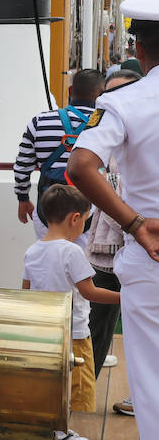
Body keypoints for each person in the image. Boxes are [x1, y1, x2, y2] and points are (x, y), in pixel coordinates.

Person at [68, 0, 159, 440]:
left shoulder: (129, 103)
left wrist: (132, 223)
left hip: (153, 254)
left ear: (138, 45)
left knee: (152, 383)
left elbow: (81, 165)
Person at [20, 184, 120, 440]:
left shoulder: (32, 251)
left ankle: (58, 431)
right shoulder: (73, 252)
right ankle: (47, 437)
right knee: (68, 385)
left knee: (49, 384)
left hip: (41, 331)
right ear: (74, 218)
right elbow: (89, 291)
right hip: (72, 332)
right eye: (85, 222)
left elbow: (26, 292)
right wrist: (126, 297)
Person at [86, 69, 143, 390]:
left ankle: (141, 399)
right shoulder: (103, 131)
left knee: (147, 326)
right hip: (106, 247)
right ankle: (83, 391)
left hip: (144, 245)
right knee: (98, 319)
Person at [14, 68, 105, 232]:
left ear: (70, 91)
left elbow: (22, 165)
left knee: (47, 256)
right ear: (102, 94)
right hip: (92, 211)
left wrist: (23, 198)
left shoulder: (39, 121)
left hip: (47, 210)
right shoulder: (107, 123)